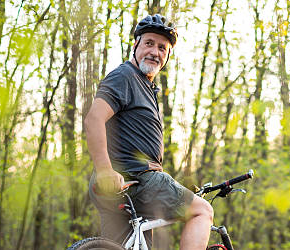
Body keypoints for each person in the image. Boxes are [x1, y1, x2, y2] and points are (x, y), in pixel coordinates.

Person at [84, 14, 213, 249]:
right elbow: (94, 119)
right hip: (135, 178)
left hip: (126, 183)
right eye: (149, 43)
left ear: (167, 56)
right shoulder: (125, 77)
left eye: (162, 48)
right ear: (136, 45)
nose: (155, 52)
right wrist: (104, 170)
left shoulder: (145, 86)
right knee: (202, 211)